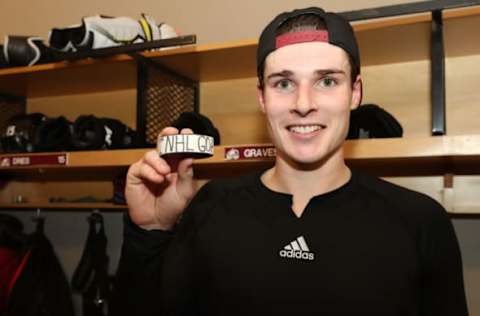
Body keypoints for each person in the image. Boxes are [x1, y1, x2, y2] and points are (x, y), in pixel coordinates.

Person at [110, 7, 469, 316]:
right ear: (262, 98)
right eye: (283, 83)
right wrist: (150, 232)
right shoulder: (210, 207)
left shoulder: (421, 222)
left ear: (355, 92)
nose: (302, 103)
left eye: (327, 81)